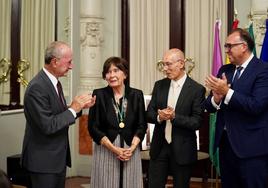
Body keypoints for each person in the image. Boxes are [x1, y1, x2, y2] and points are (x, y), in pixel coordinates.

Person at [21, 41, 96, 188]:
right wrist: (73, 108)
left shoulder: (55, 83)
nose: (71, 66)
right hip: (43, 163)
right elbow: (48, 125)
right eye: (69, 62)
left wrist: (79, 107)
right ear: (55, 62)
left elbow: (57, 114)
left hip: (55, 160)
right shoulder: (37, 87)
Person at [204, 28, 268, 188]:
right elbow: (208, 106)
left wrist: (226, 92)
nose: (226, 51)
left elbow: (256, 106)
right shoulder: (224, 70)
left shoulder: (263, 70)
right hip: (226, 146)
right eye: (225, 46)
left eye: (229, 46)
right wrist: (216, 99)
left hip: (252, 149)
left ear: (244, 46)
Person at [147, 48, 206, 188]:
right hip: (159, 147)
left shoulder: (197, 89)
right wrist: (159, 117)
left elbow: (197, 122)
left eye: (168, 64)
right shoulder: (159, 85)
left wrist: (174, 117)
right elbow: (148, 113)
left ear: (180, 63)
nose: (165, 68)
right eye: (164, 64)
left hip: (183, 150)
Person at [88, 56, 147, 188]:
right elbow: (93, 127)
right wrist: (114, 149)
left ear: (125, 74)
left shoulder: (136, 95)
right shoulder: (99, 95)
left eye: (116, 70)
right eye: (108, 72)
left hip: (130, 149)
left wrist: (131, 149)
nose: (112, 75)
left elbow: (142, 125)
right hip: (106, 148)